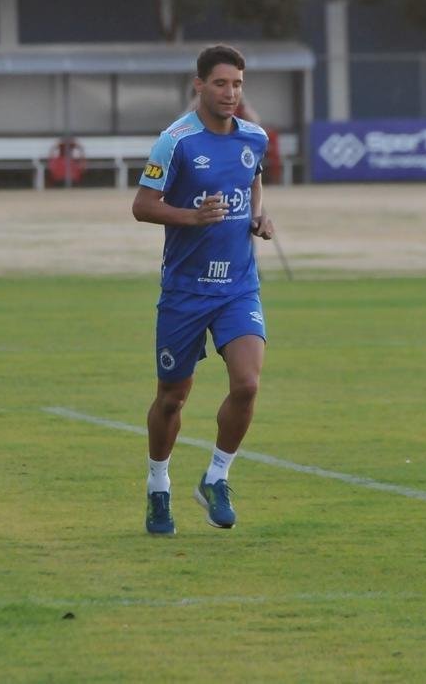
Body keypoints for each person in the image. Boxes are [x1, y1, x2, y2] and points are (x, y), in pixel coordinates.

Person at [131, 44, 275, 536]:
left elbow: (253, 181)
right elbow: (143, 205)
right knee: (172, 399)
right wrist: (191, 217)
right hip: (186, 291)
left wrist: (258, 215)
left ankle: (216, 477)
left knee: (249, 384)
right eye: (220, 83)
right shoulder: (175, 142)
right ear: (199, 85)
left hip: (238, 287)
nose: (230, 93)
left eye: (237, 84)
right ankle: (158, 486)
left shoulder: (254, 138)